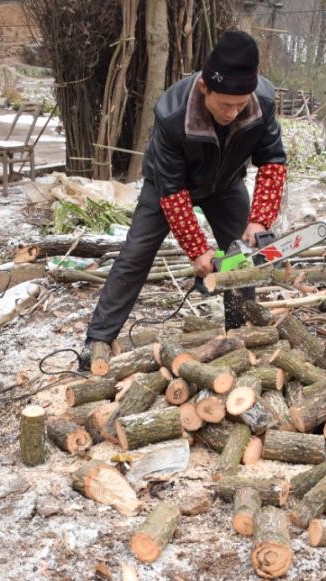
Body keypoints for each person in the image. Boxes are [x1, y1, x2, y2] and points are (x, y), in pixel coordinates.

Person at [80, 29, 287, 369]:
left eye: (240, 104)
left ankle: (238, 331)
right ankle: (98, 338)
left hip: (225, 183)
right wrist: (197, 250)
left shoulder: (262, 103)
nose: (233, 112)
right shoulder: (172, 115)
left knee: (241, 257)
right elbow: (173, 193)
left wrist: (260, 218)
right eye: (225, 104)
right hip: (169, 184)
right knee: (134, 255)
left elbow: (273, 161)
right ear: (205, 87)